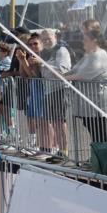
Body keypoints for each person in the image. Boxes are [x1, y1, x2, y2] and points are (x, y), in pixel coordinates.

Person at [64, 24, 107, 146]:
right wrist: (60, 74)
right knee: (93, 129)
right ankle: (97, 156)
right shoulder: (88, 55)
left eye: (85, 39)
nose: (82, 41)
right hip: (86, 103)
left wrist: (62, 78)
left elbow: (84, 75)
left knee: (100, 130)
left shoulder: (100, 55)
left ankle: (102, 157)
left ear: (94, 41)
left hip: (97, 103)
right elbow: (75, 69)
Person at [39, 29, 72, 158]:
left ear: (55, 37)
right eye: (44, 39)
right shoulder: (45, 53)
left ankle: (64, 151)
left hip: (60, 89)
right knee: (54, 121)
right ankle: (59, 150)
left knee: (59, 121)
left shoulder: (61, 51)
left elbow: (63, 71)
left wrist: (43, 65)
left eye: (49, 38)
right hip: (49, 89)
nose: (46, 41)